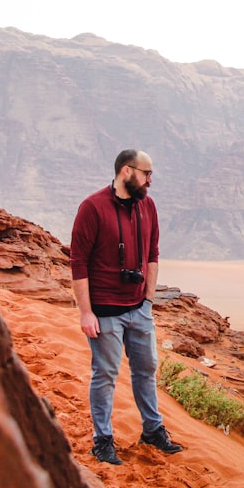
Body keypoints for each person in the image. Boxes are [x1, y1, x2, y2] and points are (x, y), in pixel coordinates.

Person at [69, 149, 182, 465]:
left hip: (139, 310)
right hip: (104, 312)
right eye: (147, 173)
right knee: (104, 374)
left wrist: (148, 299)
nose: (150, 180)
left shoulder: (148, 205)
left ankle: (152, 429)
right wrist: (86, 312)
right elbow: (78, 261)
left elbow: (153, 253)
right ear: (126, 172)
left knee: (146, 370)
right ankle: (102, 441)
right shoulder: (92, 208)